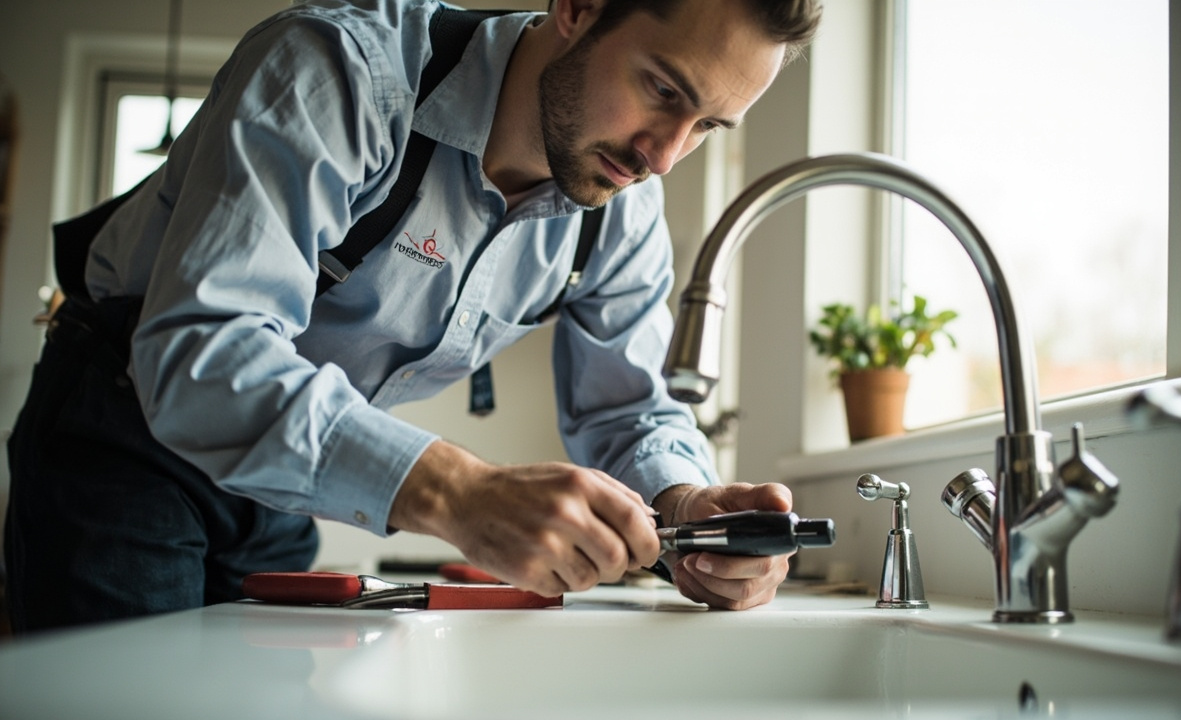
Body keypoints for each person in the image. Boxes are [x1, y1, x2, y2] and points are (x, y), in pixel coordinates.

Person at [4, 0, 822, 633]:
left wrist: (684, 508)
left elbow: (628, 407)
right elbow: (204, 355)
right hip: (125, 433)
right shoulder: (336, 73)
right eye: (663, 89)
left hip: (288, 491)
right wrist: (459, 491)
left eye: (707, 124)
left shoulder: (621, 213)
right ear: (578, 6)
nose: (665, 154)